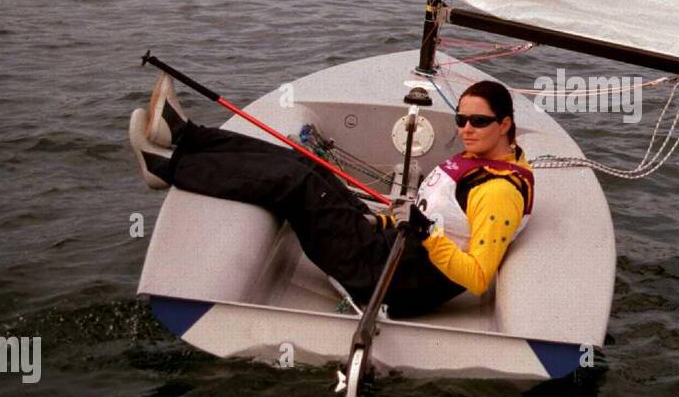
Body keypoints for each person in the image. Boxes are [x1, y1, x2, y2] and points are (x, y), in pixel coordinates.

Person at [127, 75, 534, 319]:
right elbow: (435, 217)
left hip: (386, 278)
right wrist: (387, 220)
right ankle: (186, 136)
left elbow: (480, 277)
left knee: (294, 182)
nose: (465, 129)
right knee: (308, 164)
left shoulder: (498, 193)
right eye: (461, 119)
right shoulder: (490, 161)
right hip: (383, 245)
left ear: (506, 125)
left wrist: (426, 235)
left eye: (478, 121)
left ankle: (168, 167)